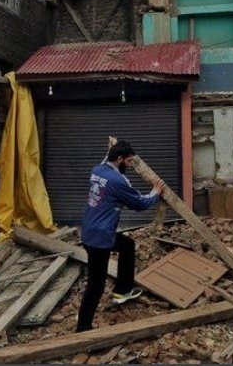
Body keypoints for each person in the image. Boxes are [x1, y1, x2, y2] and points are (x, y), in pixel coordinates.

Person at [76, 139, 165, 332]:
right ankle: (82, 328)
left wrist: (112, 150)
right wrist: (155, 192)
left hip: (90, 230)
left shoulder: (98, 170)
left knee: (126, 245)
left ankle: (123, 290)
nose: (131, 165)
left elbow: (105, 161)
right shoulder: (119, 181)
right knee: (95, 285)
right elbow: (139, 204)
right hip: (100, 239)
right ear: (119, 159)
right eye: (129, 161)